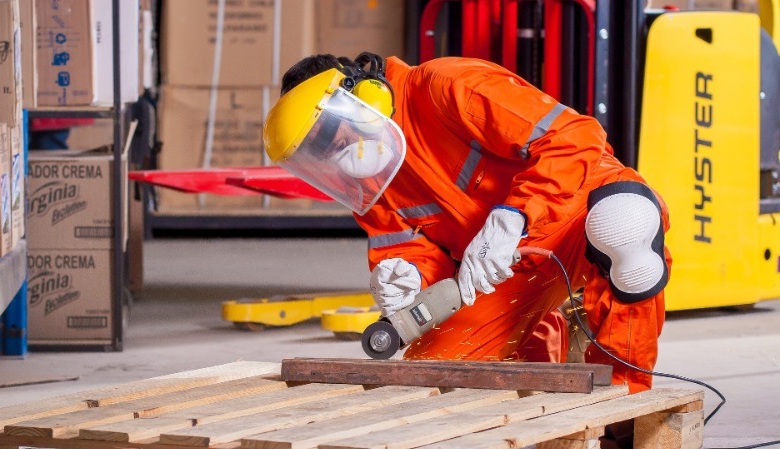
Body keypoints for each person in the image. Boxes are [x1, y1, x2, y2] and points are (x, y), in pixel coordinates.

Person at [263, 52, 672, 396]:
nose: (338, 155)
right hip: (504, 271)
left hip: (577, 213)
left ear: (364, 96)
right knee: (430, 380)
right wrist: (405, 276)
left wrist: (515, 213)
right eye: (321, 152)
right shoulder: (369, 177)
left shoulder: (446, 85)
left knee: (625, 226)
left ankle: (625, 415)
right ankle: (547, 381)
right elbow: (408, 248)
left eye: (334, 136)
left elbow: (576, 137)